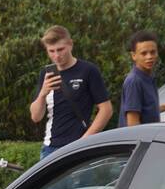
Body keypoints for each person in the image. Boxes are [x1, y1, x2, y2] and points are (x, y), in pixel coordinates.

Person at [29, 25, 112, 160]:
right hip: (50, 149)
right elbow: (36, 117)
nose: (56, 55)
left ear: (70, 45)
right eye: (51, 51)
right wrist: (43, 93)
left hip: (79, 146)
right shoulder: (46, 73)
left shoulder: (88, 70)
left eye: (60, 49)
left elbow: (106, 109)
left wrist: (85, 140)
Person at [119, 31, 165, 127]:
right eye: (144, 53)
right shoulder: (134, 81)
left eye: (153, 52)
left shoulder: (148, 77)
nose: (149, 57)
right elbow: (132, 125)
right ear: (134, 56)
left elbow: (146, 111)